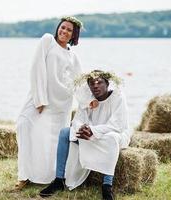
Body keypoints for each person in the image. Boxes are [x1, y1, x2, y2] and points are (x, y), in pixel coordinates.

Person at [39, 70, 131, 200]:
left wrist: (93, 130)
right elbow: (78, 120)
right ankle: (59, 180)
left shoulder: (118, 97)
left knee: (112, 138)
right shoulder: (88, 99)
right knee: (65, 132)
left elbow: (117, 125)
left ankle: (107, 186)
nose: (96, 86)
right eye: (92, 83)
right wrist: (82, 129)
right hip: (89, 134)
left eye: (99, 82)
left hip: (112, 134)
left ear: (107, 83)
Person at [15, 16, 84, 190]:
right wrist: (40, 99)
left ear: (73, 36)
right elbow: (36, 68)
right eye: (63, 27)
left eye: (69, 30)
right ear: (58, 28)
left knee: (52, 140)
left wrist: (90, 100)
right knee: (24, 125)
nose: (64, 31)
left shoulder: (73, 56)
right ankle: (24, 175)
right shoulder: (47, 41)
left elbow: (80, 81)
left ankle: (50, 176)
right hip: (40, 97)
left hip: (62, 102)